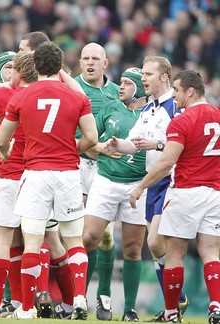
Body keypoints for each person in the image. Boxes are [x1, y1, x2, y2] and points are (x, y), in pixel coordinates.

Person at [0, 41, 98, 320]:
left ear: (36, 66)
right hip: (67, 173)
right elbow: (92, 139)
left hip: (36, 173)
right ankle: (78, 299)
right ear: (60, 66)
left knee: (32, 242)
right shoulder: (77, 97)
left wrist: (5, 152)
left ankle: (26, 309)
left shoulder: (21, 97)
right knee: (74, 240)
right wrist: (69, 148)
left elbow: (2, 138)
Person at [128, 70, 220, 324]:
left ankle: (170, 314)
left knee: (175, 254)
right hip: (214, 193)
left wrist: (140, 187)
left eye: (177, 91)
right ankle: (216, 306)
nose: (175, 96)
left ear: (190, 91)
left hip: (186, 193)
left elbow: (167, 161)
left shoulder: (182, 120)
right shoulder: (218, 116)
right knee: (211, 252)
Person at [104, 56, 188, 321]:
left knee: (156, 242)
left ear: (164, 77)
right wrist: (118, 144)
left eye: (148, 74)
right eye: (142, 75)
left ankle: (176, 303)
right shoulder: (147, 110)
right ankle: (175, 303)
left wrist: (158, 147)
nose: (143, 79)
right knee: (155, 247)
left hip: (174, 180)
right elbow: (134, 144)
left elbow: (182, 148)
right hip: (153, 181)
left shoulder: (177, 108)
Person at [82, 67, 147, 322]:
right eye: (120, 82)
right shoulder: (109, 108)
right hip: (105, 181)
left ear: (140, 88)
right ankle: (79, 300)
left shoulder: (152, 115)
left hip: (137, 185)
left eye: (127, 83)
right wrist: (101, 149)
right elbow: (88, 141)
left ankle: (129, 309)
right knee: (88, 238)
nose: (120, 87)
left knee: (132, 249)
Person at [75, 42, 119, 321]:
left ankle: (103, 296)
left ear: (106, 63)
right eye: (85, 58)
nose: (90, 62)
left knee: (105, 236)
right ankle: (75, 297)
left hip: (106, 170)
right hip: (77, 166)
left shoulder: (117, 92)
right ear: (79, 63)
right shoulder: (71, 88)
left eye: (95, 58)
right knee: (80, 236)